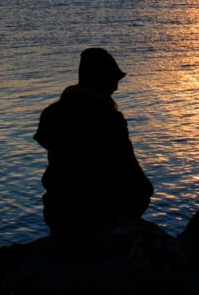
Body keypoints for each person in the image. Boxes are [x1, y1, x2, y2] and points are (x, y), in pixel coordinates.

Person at [34, 48, 153, 233]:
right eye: (113, 80)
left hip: (59, 209)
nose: (116, 87)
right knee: (142, 192)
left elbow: (45, 140)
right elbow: (127, 165)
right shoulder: (109, 118)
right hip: (96, 210)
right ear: (101, 79)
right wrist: (145, 190)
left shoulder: (52, 113)